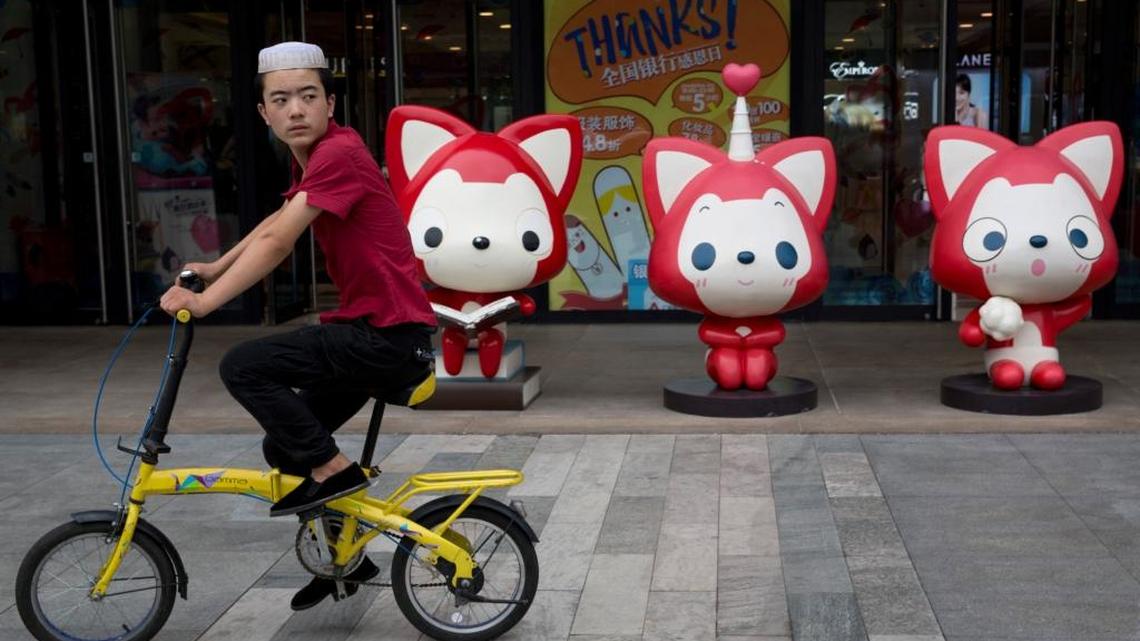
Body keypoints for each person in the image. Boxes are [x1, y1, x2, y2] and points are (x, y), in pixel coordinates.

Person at [159, 41, 437, 610]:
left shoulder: (338, 151)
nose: (295, 110)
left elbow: (279, 241)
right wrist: (216, 265)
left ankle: (336, 472)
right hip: (374, 334)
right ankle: (345, 559)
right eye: (280, 99)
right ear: (263, 111)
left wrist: (206, 302)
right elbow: (275, 221)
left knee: (243, 366)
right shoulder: (313, 157)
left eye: (308, 96)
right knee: (286, 446)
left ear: (329, 103)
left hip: (382, 335)